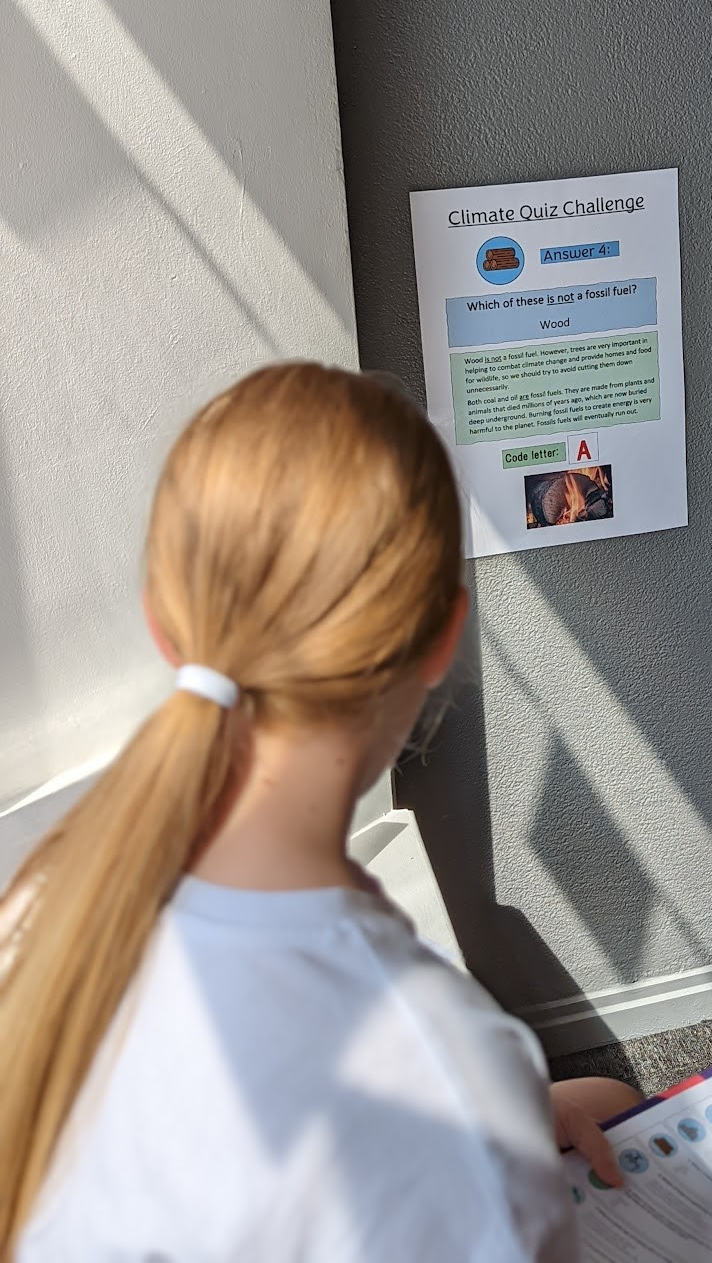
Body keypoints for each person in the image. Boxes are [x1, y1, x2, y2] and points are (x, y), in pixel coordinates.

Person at [0, 362, 639, 1261]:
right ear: (442, 640)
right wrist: (491, 1109)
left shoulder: (38, 910)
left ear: (163, 628)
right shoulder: (440, 1059)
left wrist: (517, 1109)